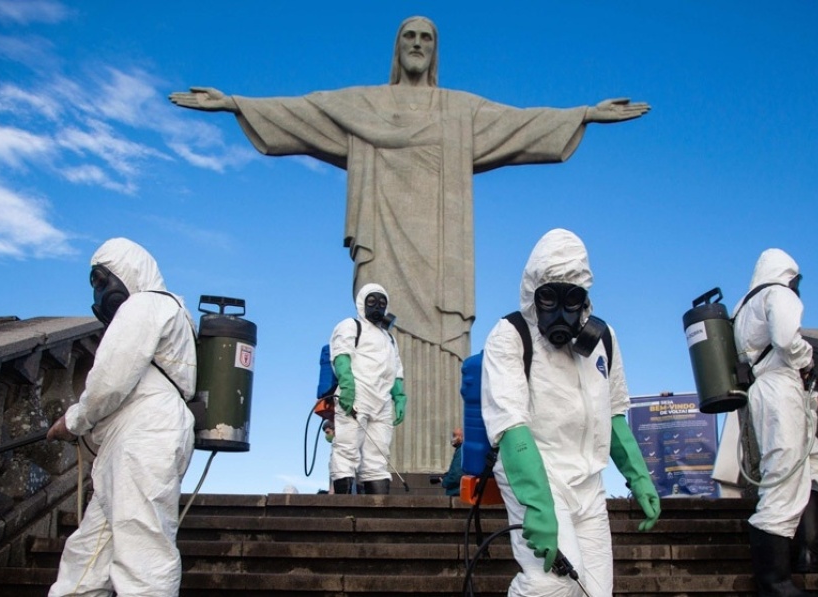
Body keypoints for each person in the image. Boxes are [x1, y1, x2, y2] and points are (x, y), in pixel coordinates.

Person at [169, 16, 649, 474]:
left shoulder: (460, 111)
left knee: (444, 353)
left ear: (435, 50)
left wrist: (583, 114)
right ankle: (378, 469)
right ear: (397, 49)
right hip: (384, 249)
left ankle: (448, 463)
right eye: (409, 37)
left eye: (427, 38)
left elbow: (519, 124)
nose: (418, 44)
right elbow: (305, 111)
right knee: (381, 338)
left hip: (443, 262)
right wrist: (236, 104)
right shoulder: (366, 106)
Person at [481, 229, 660, 597]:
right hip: (538, 472)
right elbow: (511, 424)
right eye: (549, 297)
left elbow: (612, 413)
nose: (561, 311)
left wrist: (638, 477)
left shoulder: (603, 340)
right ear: (533, 294)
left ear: (585, 299)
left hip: (589, 482)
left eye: (572, 299)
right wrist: (538, 504)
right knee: (551, 586)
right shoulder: (509, 335)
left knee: (595, 592)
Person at [46, 237, 197, 596]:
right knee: (88, 554)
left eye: (102, 280)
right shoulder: (176, 315)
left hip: (144, 436)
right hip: (133, 440)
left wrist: (73, 420)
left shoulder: (146, 304)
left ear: (127, 271)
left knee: (142, 553)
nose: (100, 291)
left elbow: (110, 380)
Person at [732, 248, 818, 596]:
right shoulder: (779, 293)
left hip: (777, 391)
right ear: (788, 274)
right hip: (777, 394)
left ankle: (809, 553)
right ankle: (774, 580)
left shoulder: (744, 306)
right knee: (783, 478)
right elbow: (787, 343)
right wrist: (808, 356)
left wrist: (814, 399)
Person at [328, 283, 407, 495]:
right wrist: (347, 386)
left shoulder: (389, 338)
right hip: (356, 396)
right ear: (362, 303)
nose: (377, 307)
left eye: (381, 303)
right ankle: (342, 504)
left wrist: (399, 396)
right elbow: (341, 355)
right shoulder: (351, 326)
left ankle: (377, 505)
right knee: (347, 448)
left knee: (379, 453)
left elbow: (396, 369)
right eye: (372, 302)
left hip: (381, 402)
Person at [441, 427, 464, 497]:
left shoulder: (461, 451)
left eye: (454, 435)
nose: (453, 438)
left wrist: (445, 482)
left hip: (457, 492)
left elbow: (457, 474)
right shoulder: (463, 450)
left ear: (462, 437)